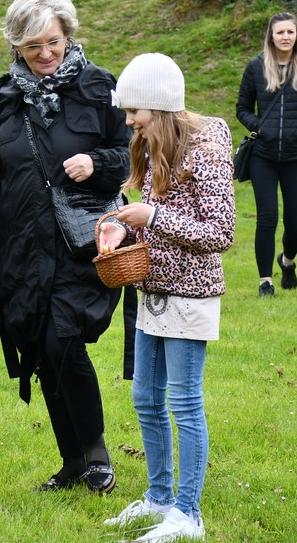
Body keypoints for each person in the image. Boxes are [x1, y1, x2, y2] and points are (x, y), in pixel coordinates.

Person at [0, 0, 129, 494]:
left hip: (83, 240)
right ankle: (72, 460)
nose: (45, 54)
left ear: (68, 35)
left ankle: (97, 451)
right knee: (40, 348)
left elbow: (128, 157)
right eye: (32, 45)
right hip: (24, 245)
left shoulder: (101, 88)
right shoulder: (6, 97)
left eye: (53, 42)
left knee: (63, 341)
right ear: (15, 45)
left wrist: (96, 163)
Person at [99, 53, 234, 543]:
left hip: (191, 291)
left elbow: (220, 231)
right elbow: (148, 208)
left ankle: (188, 514)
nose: (129, 119)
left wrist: (151, 220)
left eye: (136, 110)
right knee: (145, 399)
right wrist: (122, 228)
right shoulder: (152, 142)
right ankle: (158, 499)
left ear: (161, 105)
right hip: (151, 286)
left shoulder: (208, 146)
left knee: (183, 402)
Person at [236, 12, 297, 297]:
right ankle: (266, 281)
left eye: (290, 32)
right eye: (280, 33)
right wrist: (259, 129)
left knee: (296, 221)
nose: (285, 37)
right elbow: (242, 108)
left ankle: (287, 261)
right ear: (271, 36)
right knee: (267, 218)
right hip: (263, 156)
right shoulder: (255, 68)